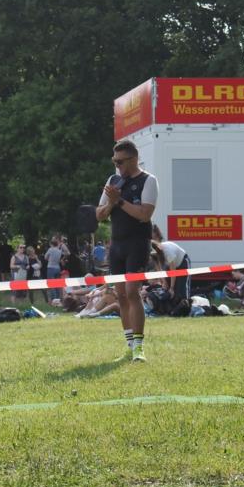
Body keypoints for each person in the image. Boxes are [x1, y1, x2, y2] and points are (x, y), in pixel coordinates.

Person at [96, 139, 158, 362]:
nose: (117, 165)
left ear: (133, 159)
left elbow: (144, 214)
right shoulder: (113, 180)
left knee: (132, 292)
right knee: (120, 295)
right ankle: (129, 345)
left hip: (138, 243)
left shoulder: (148, 181)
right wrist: (112, 203)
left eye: (120, 161)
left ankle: (140, 347)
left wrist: (119, 201)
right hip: (117, 245)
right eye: (114, 161)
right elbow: (99, 215)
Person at [44, 238, 65, 302]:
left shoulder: (50, 249)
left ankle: (54, 299)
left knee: (51, 284)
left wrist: (49, 259)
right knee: (57, 284)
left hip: (51, 267)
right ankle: (58, 298)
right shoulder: (59, 251)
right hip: (57, 268)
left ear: (51, 244)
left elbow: (45, 257)